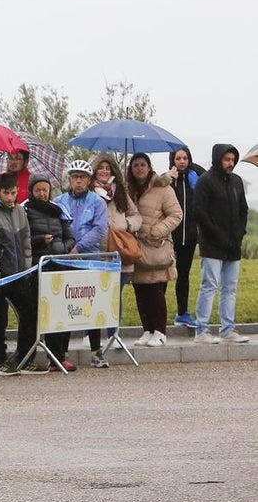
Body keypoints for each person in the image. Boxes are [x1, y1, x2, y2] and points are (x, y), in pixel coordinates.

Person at [53, 160, 109, 369]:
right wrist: (65, 248)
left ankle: (96, 351)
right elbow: (54, 225)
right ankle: (62, 351)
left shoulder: (97, 202)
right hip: (64, 258)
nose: (78, 181)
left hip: (88, 259)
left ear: (88, 180)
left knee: (89, 305)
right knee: (66, 304)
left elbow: (100, 229)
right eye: (75, 177)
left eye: (83, 177)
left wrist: (79, 248)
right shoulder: (59, 200)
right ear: (69, 179)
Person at [192, 144, 250, 344]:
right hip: (212, 245)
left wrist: (239, 234)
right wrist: (218, 236)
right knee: (209, 285)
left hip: (233, 245)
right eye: (227, 159)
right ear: (218, 159)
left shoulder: (236, 181)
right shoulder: (205, 181)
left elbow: (243, 210)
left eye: (233, 159)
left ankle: (228, 329)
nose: (230, 163)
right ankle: (202, 330)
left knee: (230, 288)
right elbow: (200, 212)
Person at [0, 173, 36, 375]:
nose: (10, 197)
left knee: (29, 313)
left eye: (13, 193)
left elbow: (26, 239)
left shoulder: (21, 211)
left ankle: (24, 355)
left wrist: (27, 266)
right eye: (6, 193)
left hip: (20, 273)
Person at [89, 153, 141, 367]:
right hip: (96, 250)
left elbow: (136, 215)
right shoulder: (91, 192)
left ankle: (113, 332)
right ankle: (92, 333)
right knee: (95, 294)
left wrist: (126, 225)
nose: (104, 171)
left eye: (107, 168)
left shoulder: (120, 192)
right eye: (100, 168)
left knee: (114, 294)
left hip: (119, 250)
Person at [126, 154, 181, 347]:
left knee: (155, 291)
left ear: (149, 167)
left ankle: (160, 331)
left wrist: (156, 231)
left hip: (157, 248)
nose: (139, 168)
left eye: (143, 165)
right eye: (135, 165)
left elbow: (176, 214)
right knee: (140, 290)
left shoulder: (163, 188)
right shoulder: (128, 190)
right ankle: (147, 330)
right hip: (136, 248)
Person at [24, 174, 76, 371]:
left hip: (58, 265)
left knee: (59, 312)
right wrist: (40, 241)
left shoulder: (58, 210)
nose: (42, 193)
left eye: (45, 189)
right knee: (35, 313)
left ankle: (58, 357)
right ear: (32, 191)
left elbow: (71, 237)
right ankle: (28, 356)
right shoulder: (26, 210)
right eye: (38, 190)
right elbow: (24, 239)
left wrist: (62, 247)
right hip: (38, 267)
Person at [167, 147, 199, 328]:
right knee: (163, 276)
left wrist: (197, 177)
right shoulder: (169, 179)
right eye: (178, 158)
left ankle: (182, 313)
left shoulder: (194, 179)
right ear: (173, 160)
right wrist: (169, 179)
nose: (182, 161)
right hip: (170, 236)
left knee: (183, 275)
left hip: (190, 236)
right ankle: (158, 315)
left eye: (185, 158)